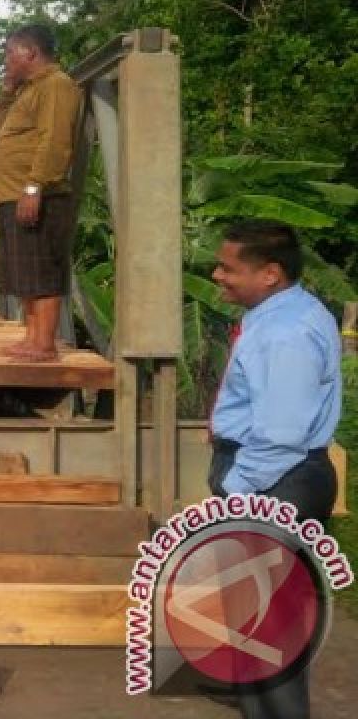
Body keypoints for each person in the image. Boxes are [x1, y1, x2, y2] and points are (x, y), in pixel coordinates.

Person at [207, 220, 340, 719]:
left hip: (274, 480)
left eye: (228, 268)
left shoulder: (285, 333)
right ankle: (253, 700)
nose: (218, 275)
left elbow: (282, 432)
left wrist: (237, 487)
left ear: (270, 274)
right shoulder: (286, 312)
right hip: (277, 479)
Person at [0, 24, 83, 362]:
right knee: (25, 271)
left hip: (39, 193)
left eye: (10, 53)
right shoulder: (28, 90)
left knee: (41, 269)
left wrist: (34, 186)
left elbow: (54, 139)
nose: (6, 60)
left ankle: (44, 342)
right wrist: (7, 91)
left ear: (31, 53)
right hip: (15, 193)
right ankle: (32, 338)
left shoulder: (56, 85)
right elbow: (0, 132)